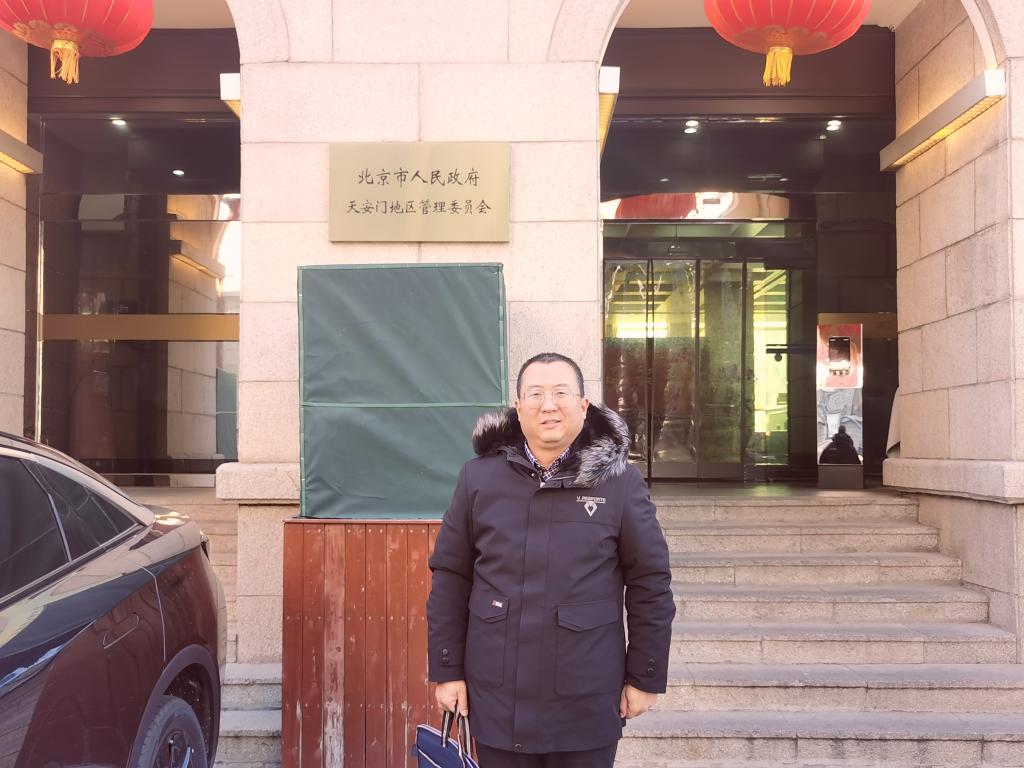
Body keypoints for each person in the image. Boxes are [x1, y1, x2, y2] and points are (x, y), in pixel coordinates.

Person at [426, 352, 676, 768]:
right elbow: (451, 576)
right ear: (518, 406)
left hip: (586, 697)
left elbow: (650, 581)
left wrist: (644, 676)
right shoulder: (478, 478)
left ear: (583, 404)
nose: (548, 405)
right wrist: (448, 669)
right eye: (535, 394)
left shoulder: (619, 482)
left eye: (561, 393)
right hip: (497, 696)